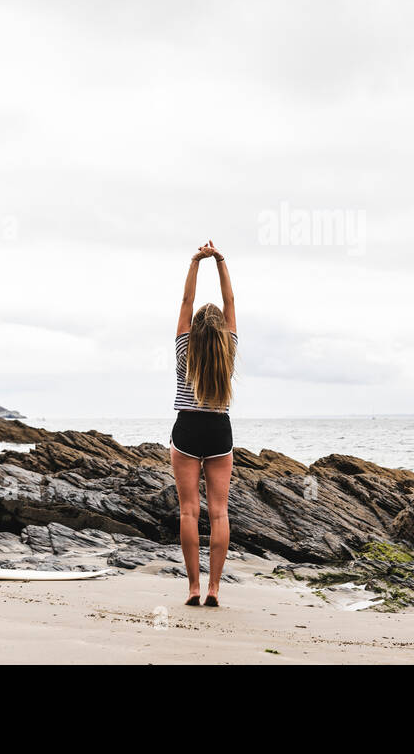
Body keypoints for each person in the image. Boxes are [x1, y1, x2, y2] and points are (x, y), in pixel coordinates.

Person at [171, 240, 237, 606]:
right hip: (218, 429)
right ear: (223, 331)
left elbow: (185, 302)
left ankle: (193, 588)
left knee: (188, 511)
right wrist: (221, 261)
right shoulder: (229, 348)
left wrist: (196, 261)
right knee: (219, 512)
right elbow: (230, 304)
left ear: (195, 329)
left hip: (186, 429)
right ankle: (214, 588)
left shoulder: (184, 347)